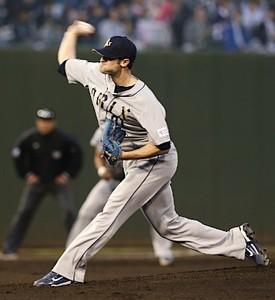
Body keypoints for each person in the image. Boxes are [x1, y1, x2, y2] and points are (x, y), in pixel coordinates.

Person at [33, 21, 270, 287]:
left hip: (154, 161)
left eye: (108, 57)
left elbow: (162, 145)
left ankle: (67, 270)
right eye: (102, 54)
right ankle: (238, 242)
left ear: (124, 62)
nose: (101, 59)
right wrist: (71, 32)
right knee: (168, 225)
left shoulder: (145, 100)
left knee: (110, 212)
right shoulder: (96, 73)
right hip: (136, 161)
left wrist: (122, 157)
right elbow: (64, 62)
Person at [66, 127, 174, 266]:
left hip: (141, 180)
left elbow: (159, 150)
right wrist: (101, 169)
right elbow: (98, 155)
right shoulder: (104, 128)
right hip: (113, 180)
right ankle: (70, 253)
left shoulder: (142, 127)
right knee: (87, 212)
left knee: (160, 216)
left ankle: (163, 252)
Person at [0, 108, 82, 261]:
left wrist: (66, 174)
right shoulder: (29, 138)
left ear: (53, 122)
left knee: (69, 211)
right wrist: (27, 174)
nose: (45, 125)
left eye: (48, 122)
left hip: (58, 183)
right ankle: (9, 248)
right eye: (42, 122)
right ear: (37, 122)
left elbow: (76, 157)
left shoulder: (64, 139)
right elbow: (17, 155)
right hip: (36, 183)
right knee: (24, 213)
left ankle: (77, 249)